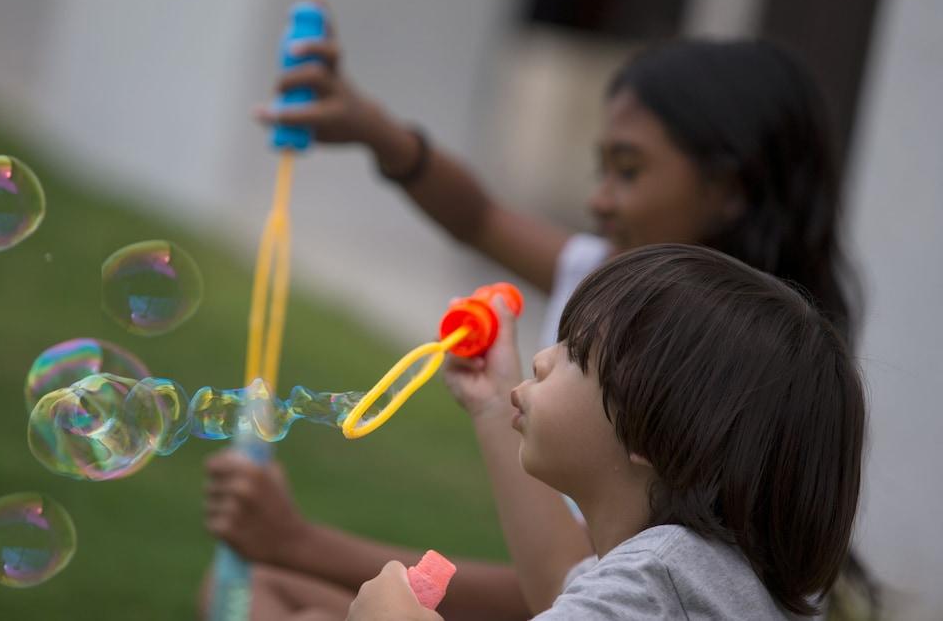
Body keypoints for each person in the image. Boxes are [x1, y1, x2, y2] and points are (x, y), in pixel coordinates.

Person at [203, 5, 874, 619]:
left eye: (629, 169)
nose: (600, 200)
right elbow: (479, 216)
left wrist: (311, 549)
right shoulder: (699, 526)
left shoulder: (658, 566)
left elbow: (561, 588)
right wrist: (377, 131)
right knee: (254, 594)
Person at [344, 244, 867, 620]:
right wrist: (491, 401)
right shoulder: (693, 576)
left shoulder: (660, 583)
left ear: (656, 426)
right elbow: (559, 584)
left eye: (575, 353)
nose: (542, 359)